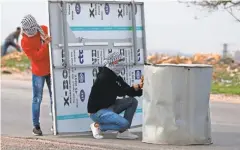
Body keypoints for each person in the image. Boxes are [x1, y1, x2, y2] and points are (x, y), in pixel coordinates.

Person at [87, 52, 143, 139]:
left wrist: (140, 88)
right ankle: (98, 126)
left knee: (132, 101)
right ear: (114, 62)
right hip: (97, 112)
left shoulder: (115, 76)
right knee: (125, 123)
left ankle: (123, 132)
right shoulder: (104, 77)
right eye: (120, 61)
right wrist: (134, 88)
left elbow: (128, 91)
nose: (122, 63)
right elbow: (120, 92)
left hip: (110, 106)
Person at [21, 14, 52, 136]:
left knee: (54, 97)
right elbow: (37, 57)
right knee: (37, 99)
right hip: (38, 72)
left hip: (51, 70)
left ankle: (56, 123)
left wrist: (49, 41)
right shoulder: (24, 41)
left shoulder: (43, 29)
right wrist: (46, 44)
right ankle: (36, 126)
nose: (35, 30)